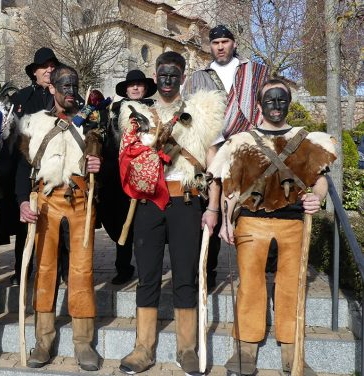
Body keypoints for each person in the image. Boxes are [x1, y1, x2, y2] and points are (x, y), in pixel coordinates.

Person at [208, 78, 336, 375]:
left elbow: (320, 180)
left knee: (291, 287)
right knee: (250, 285)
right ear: (260, 105)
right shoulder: (241, 141)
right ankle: (245, 351)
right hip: (252, 222)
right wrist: (227, 222)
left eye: (281, 100)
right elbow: (230, 185)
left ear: (288, 103)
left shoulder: (306, 141)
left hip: (293, 224)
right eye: (270, 101)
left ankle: (293, 353)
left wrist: (316, 199)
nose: (276, 106)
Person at [117, 51, 224, 374]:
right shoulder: (137, 114)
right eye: (162, 74)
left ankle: (187, 348)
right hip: (149, 204)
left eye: (173, 74)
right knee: (147, 275)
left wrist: (214, 207)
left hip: (187, 202)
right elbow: (127, 158)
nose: (167, 80)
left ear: (182, 75)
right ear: (155, 74)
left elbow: (215, 164)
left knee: (185, 276)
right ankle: (143, 348)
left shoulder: (201, 113)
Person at [17, 64, 102, 371]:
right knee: (45, 269)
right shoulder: (34, 123)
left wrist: (96, 162)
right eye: (63, 86)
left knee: (82, 270)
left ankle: (83, 342)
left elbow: (101, 154)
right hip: (46, 201)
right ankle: (43, 340)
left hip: (81, 199)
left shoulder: (91, 120)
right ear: (51, 88)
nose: (70, 92)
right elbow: (21, 168)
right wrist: (21, 203)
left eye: (73, 86)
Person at [183, 24, 270, 290]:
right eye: (215, 43)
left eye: (225, 41)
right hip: (211, 148)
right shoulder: (198, 76)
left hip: (246, 146)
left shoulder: (255, 71)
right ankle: (207, 272)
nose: (220, 46)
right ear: (210, 46)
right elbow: (187, 111)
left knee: (249, 208)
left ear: (234, 43)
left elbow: (266, 103)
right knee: (211, 209)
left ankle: (254, 272)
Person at [3, 47, 61, 286]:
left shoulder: (64, 95)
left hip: (57, 165)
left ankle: (60, 271)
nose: (49, 70)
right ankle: (22, 270)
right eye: (44, 66)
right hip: (26, 163)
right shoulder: (22, 98)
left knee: (58, 222)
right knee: (24, 219)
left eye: (52, 66)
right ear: (34, 72)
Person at [99, 69, 156, 285]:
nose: (135, 88)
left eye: (139, 84)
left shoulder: (153, 110)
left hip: (146, 175)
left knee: (145, 226)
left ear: (145, 88)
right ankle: (123, 267)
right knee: (121, 222)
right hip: (118, 175)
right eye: (131, 85)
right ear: (125, 89)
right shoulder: (113, 111)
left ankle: (147, 269)